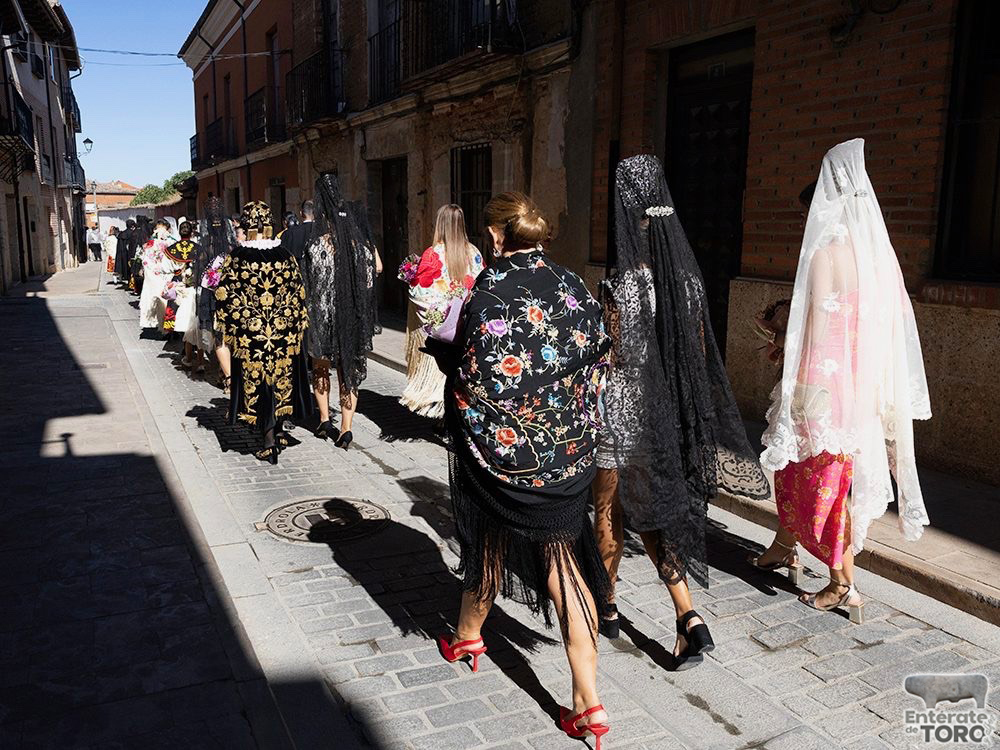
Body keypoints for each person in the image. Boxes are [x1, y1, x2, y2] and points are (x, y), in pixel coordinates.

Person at [436, 192, 611, 748]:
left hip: (504, 454)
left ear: (495, 236)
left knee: (493, 535)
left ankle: (470, 637)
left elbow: (470, 365)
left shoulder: (486, 289)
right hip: (567, 452)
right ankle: (589, 701)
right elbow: (596, 360)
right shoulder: (574, 284)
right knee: (563, 564)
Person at [593, 155, 770, 668]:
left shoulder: (623, 284)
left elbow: (613, 351)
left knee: (611, 510)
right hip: (667, 410)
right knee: (660, 513)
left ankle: (606, 604)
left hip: (624, 408)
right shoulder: (689, 282)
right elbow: (694, 350)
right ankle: (688, 615)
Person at [752, 138, 931, 622]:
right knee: (808, 473)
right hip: (858, 383)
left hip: (820, 382)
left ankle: (842, 583)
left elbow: (820, 326)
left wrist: (780, 335)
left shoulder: (824, 255)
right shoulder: (876, 258)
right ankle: (784, 546)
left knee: (817, 481)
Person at [214, 201, 313, 463]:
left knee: (259, 383)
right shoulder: (286, 256)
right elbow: (298, 296)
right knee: (280, 379)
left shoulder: (236, 258)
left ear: (246, 226)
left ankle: (268, 438)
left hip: (251, 337)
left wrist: (238, 328)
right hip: (282, 335)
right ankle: (278, 429)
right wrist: (289, 326)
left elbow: (225, 297)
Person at [299, 175, 380, 448]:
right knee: (350, 370)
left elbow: (308, 283)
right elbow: (372, 279)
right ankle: (346, 428)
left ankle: (324, 420)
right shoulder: (361, 246)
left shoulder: (317, 244)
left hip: (323, 316)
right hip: (353, 316)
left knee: (320, 368)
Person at [400, 204, 483, 419]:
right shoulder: (473, 252)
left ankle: (444, 414)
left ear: (440, 225)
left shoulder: (433, 253)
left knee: (442, 372)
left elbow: (420, 291)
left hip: (442, 329)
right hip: (465, 324)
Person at [185, 197, 233, 377]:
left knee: (213, 331)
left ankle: (218, 370)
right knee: (227, 329)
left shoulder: (203, 246)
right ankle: (224, 371)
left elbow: (198, 270)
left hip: (209, 292)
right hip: (228, 292)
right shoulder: (231, 246)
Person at [160, 221, 199, 359]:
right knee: (193, 312)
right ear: (191, 232)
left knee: (179, 312)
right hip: (193, 283)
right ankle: (194, 344)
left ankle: (185, 343)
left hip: (177, 282)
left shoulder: (172, 249)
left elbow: (165, 268)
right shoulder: (198, 248)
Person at [137, 219, 176, 331]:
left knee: (155, 297)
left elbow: (145, 261)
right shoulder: (171, 242)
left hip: (155, 274)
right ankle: (167, 325)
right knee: (166, 298)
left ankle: (158, 323)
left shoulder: (150, 244)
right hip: (165, 274)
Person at [114, 219, 137, 287]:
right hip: (130, 253)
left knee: (123, 266)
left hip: (122, 253)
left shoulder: (122, 234)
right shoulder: (133, 233)